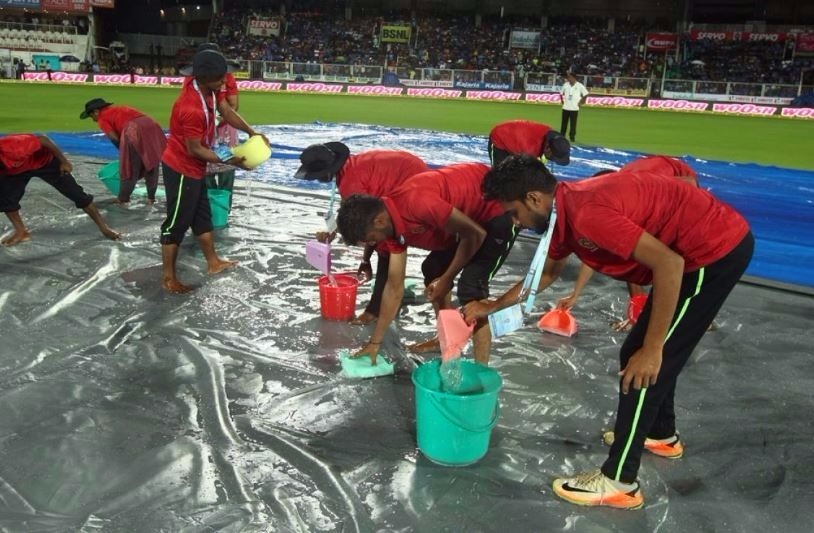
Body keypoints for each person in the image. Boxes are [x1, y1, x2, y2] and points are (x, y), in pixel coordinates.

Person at [465, 155, 753, 509]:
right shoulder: (562, 212)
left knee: (645, 365)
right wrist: (491, 306)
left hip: (712, 254)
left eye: (514, 213)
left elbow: (669, 263)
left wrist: (651, 350)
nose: (516, 223)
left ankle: (620, 480)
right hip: (694, 253)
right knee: (639, 357)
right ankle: (661, 434)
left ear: (534, 199)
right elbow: (546, 274)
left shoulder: (588, 214)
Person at [336, 163, 517, 365]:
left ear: (378, 222)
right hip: (466, 219)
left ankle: (481, 369)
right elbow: (394, 286)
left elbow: (475, 234)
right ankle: (448, 340)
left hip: (498, 209)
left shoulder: (417, 202)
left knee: (471, 289)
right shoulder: (390, 225)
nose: (372, 244)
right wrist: (375, 343)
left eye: (370, 239)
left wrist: (446, 279)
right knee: (432, 269)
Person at [159, 48, 268, 294]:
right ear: (205, 78)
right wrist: (233, 160)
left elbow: (227, 112)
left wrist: (253, 133)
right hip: (181, 168)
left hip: (195, 168)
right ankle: (168, 278)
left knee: (202, 216)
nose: (225, 81)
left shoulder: (209, 88)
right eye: (220, 77)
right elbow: (195, 149)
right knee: (175, 224)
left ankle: (213, 262)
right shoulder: (192, 108)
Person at [558, 155, 700, 330]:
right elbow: (595, 250)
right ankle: (639, 312)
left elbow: (690, 184)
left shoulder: (639, 187)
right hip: (654, 187)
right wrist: (576, 294)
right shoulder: (611, 199)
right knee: (631, 250)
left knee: (669, 257)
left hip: (680, 190)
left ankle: (690, 311)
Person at [294, 142, 429, 325]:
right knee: (383, 242)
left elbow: (365, 228)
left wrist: (364, 256)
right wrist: (334, 231)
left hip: (414, 184)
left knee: (387, 247)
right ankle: (387, 296)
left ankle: (376, 308)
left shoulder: (351, 184)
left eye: (318, 177)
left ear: (326, 173)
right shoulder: (349, 168)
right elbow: (352, 214)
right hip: (410, 171)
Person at [1, 133, 121, 246]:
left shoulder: (11, 148)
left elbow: (43, 139)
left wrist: (64, 162)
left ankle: (104, 228)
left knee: (78, 195)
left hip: (46, 163)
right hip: (16, 172)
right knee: (6, 199)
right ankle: (21, 232)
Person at [181, 43, 241, 212]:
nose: (222, 80)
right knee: (205, 169)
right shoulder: (191, 94)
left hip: (221, 130)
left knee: (225, 171)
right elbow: (195, 149)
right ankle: (208, 209)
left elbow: (229, 106)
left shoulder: (224, 77)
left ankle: (222, 210)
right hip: (202, 131)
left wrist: (218, 120)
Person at [79, 98, 167, 204]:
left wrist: (124, 153)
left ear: (96, 111)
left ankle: (123, 199)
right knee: (152, 162)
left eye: (91, 116)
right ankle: (151, 198)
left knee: (129, 167)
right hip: (152, 125)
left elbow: (114, 138)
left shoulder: (102, 118)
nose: (93, 119)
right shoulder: (122, 108)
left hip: (134, 128)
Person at [488, 119, 571, 167]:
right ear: (547, 148)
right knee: (499, 174)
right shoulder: (530, 149)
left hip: (516, 138)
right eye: (553, 157)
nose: (552, 160)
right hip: (499, 137)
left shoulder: (550, 135)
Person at [559, 72, 589, 142]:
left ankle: (572, 137)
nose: (568, 78)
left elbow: (586, 94)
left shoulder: (580, 86)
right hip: (565, 107)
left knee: (573, 124)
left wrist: (582, 102)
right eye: (568, 77)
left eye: (570, 77)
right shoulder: (565, 85)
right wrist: (562, 101)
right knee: (564, 123)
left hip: (574, 108)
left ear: (574, 78)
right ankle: (562, 136)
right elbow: (561, 93)